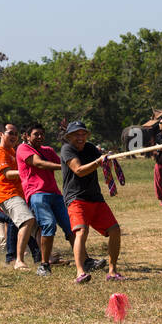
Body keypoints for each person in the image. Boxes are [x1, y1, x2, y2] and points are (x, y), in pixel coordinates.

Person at [61, 121, 124, 283]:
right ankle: (80, 272)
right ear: (69, 136)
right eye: (76, 135)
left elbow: (103, 161)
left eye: (83, 134)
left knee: (115, 230)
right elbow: (79, 170)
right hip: (76, 198)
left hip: (95, 198)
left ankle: (112, 271)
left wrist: (108, 158)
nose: (80, 138)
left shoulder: (90, 148)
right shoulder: (67, 149)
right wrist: (99, 161)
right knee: (81, 232)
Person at [17, 124, 72, 278]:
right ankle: (44, 265)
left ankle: (85, 260)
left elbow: (65, 160)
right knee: (48, 225)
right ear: (27, 136)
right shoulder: (23, 149)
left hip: (55, 193)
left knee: (71, 227)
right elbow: (39, 163)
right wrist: (65, 167)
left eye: (42, 134)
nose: (40, 137)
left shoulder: (48, 150)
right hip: (37, 193)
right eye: (36, 134)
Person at [0, 123, 41, 269]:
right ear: (0, 134)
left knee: (33, 224)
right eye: (10, 133)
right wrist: (27, 171)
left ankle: (42, 258)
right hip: (8, 195)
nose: (14, 136)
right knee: (26, 220)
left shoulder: (12, 151)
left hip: (19, 194)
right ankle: (17, 260)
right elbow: (8, 174)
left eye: (16, 133)